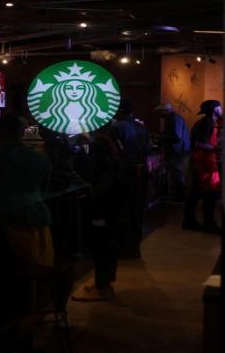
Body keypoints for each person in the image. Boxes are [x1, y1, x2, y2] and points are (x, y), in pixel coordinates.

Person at [0, 114, 53, 337]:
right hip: (37, 221)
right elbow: (43, 190)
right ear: (21, 133)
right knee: (30, 276)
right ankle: (27, 324)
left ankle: (5, 327)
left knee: (2, 278)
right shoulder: (40, 159)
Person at [72, 131, 126, 301]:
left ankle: (103, 285)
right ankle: (102, 281)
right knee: (103, 246)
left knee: (103, 246)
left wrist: (86, 189)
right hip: (108, 210)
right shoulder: (113, 161)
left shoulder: (109, 163)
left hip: (104, 211)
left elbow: (101, 189)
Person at [110, 99, 151, 258]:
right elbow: (148, 148)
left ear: (120, 111)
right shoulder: (141, 125)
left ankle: (123, 246)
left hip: (125, 171)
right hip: (141, 171)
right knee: (137, 210)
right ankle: (134, 247)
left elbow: (115, 151)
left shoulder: (117, 127)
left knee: (123, 210)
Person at [183, 100, 222, 232]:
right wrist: (217, 149)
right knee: (209, 193)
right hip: (204, 162)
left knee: (198, 191)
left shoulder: (207, 123)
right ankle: (208, 223)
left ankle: (189, 221)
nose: (221, 108)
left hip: (204, 161)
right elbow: (200, 144)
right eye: (219, 106)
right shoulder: (207, 124)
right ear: (213, 110)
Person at [156, 103, 190, 202]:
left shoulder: (173, 119)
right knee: (176, 174)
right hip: (178, 150)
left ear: (165, 110)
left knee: (176, 174)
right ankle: (177, 196)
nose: (159, 115)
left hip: (177, 151)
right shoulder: (173, 118)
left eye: (160, 112)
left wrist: (160, 137)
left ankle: (180, 198)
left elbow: (176, 137)